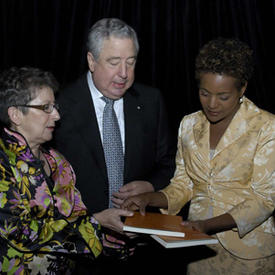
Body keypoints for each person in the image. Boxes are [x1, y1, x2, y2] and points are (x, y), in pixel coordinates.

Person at [122, 38, 275, 274]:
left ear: (242, 88)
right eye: (204, 93)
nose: (212, 104)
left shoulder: (266, 126)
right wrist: (150, 198)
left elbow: (265, 200)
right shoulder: (189, 124)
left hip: (250, 255)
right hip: (198, 249)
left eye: (223, 96)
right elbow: (184, 185)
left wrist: (206, 225)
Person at [53, 18, 175, 235]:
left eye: (131, 62)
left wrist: (150, 185)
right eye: (114, 62)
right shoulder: (59, 106)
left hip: (139, 240)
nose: (124, 73)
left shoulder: (151, 101)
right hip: (80, 244)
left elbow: (168, 164)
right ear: (91, 61)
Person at [0, 67, 119, 274]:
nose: (56, 115)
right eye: (46, 107)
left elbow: (79, 217)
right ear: (16, 114)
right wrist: (96, 223)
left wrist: (117, 237)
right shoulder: (3, 164)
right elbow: (20, 232)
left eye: (55, 107)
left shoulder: (58, 162)